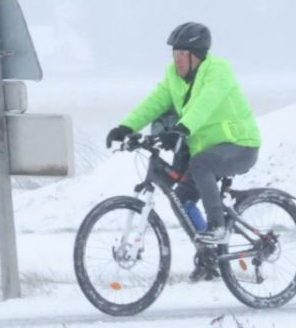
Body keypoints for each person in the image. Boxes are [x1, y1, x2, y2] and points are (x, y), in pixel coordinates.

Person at [105, 22, 261, 271]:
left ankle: (218, 227)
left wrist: (182, 129)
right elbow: (154, 103)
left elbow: (205, 104)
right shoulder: (173, 76)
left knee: (201, 164)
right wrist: (126, 127)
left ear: (196, 56)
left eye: (182, 55)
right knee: (181, 198)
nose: (176, 60)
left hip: (239, 146)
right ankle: (209, 257)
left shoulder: (218, 71)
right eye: (174, 54)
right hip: (206, 150)